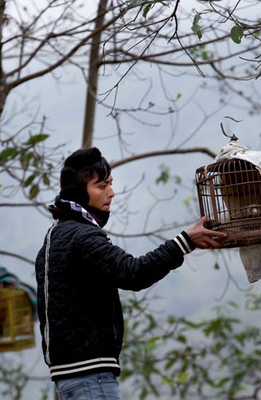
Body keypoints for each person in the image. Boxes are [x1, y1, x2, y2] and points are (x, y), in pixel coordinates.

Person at [35, 147, 225, 399]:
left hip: (72, 378)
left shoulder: (53, 238)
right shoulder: (82, 236)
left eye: (110, 184)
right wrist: (185, 241)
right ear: (77, 194)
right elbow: (133, 273)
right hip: (92, 379)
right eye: (102, 186)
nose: (111, 193)